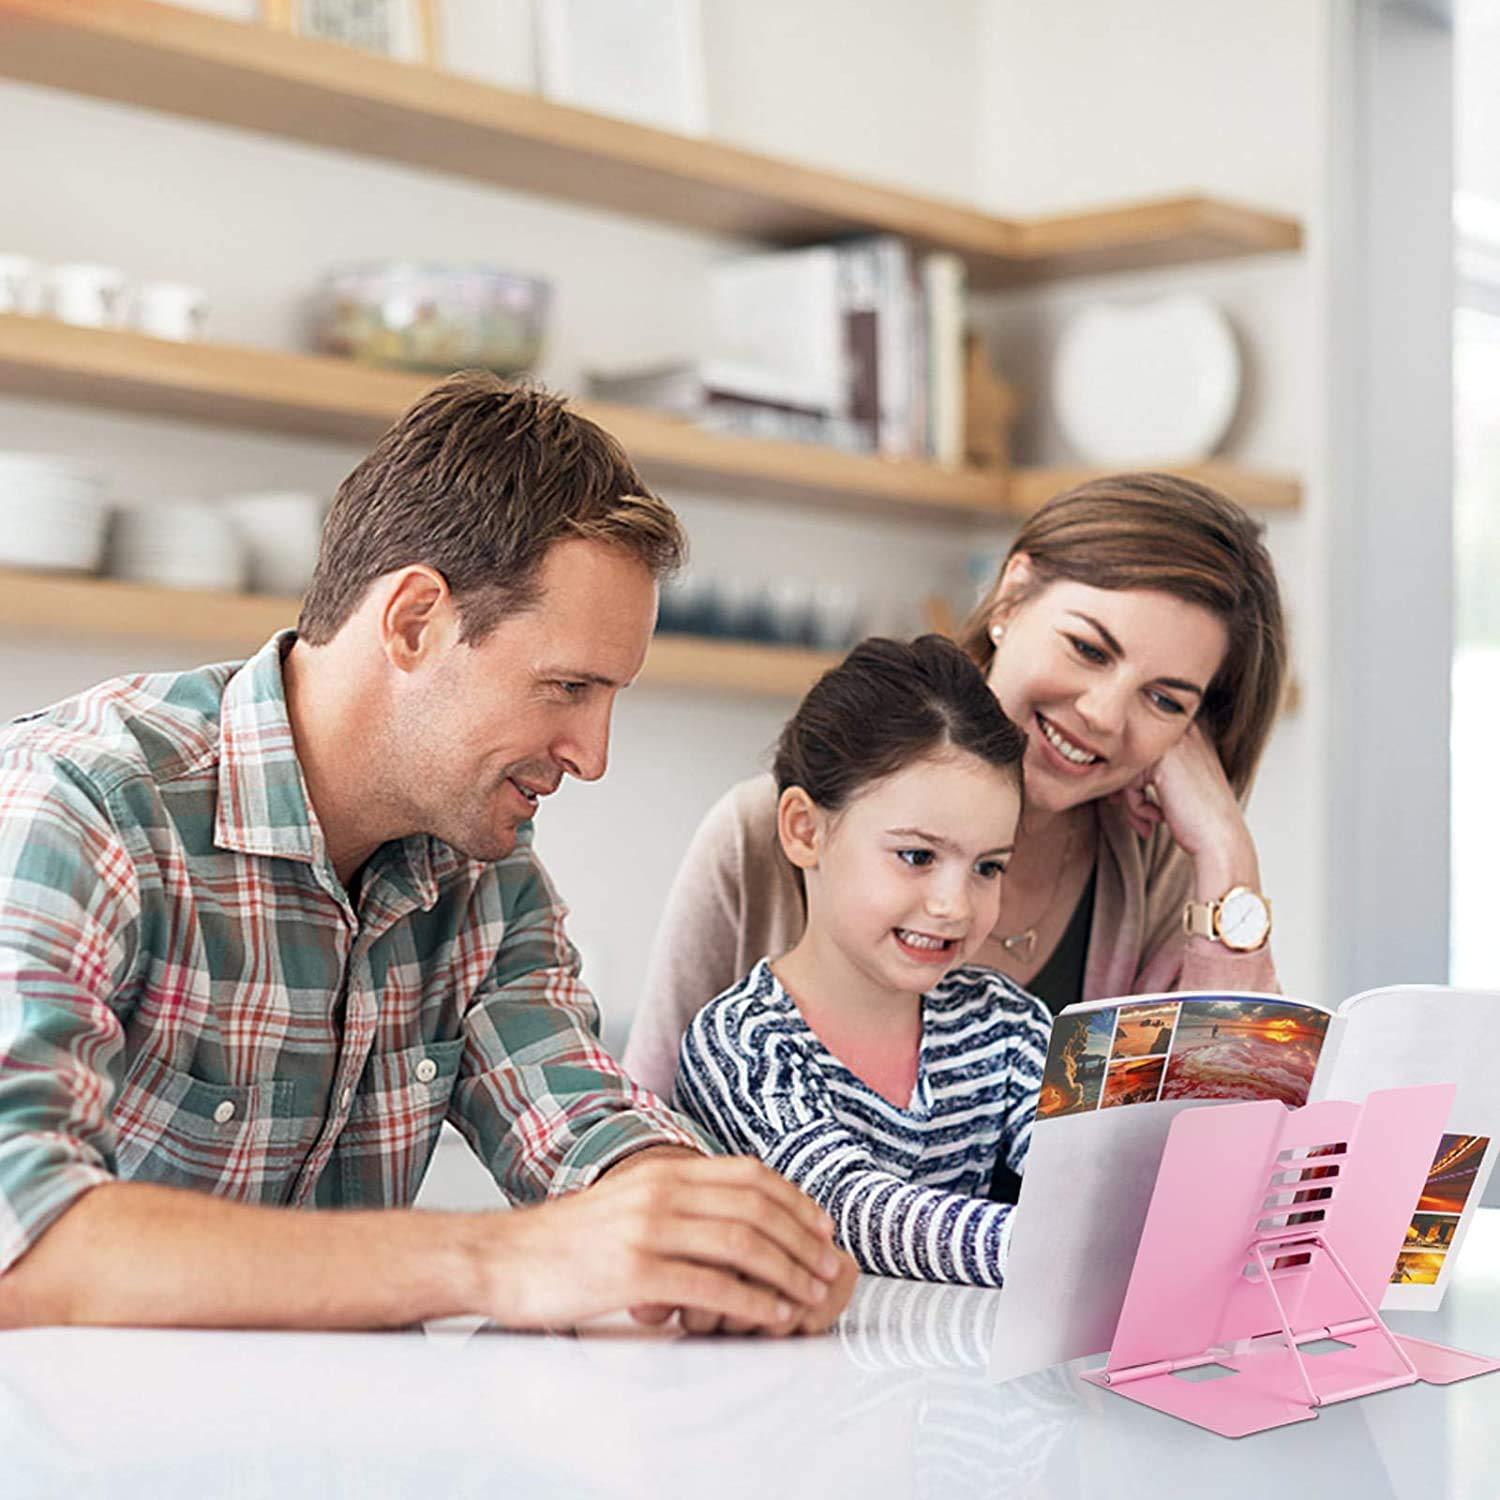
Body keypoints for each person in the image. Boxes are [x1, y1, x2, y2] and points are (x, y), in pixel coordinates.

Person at [0, 373, 856, 1335]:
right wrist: (492, 1259)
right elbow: (21, 1240)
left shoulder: (487, 876)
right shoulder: (79, 807)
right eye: (566, 686)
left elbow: (581, 1123)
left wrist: (706, 1230)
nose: (594, 755)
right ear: (414, 621)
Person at [626, 473, 1288, 1155]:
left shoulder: (1165, 878)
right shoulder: (757, 834)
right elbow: (646, 1139)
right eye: (1088, 649)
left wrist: (1226, 853)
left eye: (1165, 701)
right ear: (1011, 595)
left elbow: (1223, 1160)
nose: (1103, 714)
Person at [675, 636, 1051, 1287]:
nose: (954, 906)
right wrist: (1065, 1250)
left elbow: (1094, 1177)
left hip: (967, 1382)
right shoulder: (741, 1045)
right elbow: (845, 1211)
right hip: (800, 1381)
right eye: (917, 856)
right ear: (804, 830)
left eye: (988, 867)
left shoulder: (1006, 1024)